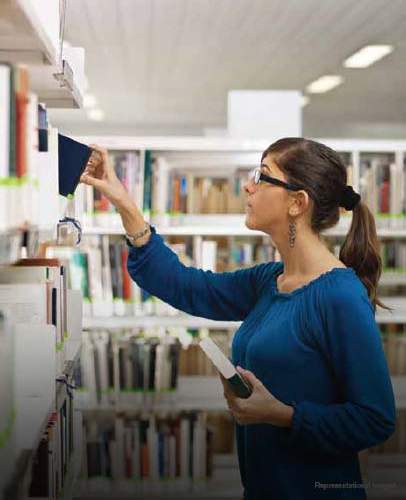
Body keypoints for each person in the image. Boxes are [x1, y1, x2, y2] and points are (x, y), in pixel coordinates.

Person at [80, 138, 396, 499]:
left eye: (262, 176)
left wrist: (283, 414)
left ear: (297, 202)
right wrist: (123, 201)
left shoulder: (339, 296)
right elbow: (189, 287)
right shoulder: (269, 281)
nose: (247, 185)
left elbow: (376, 419)